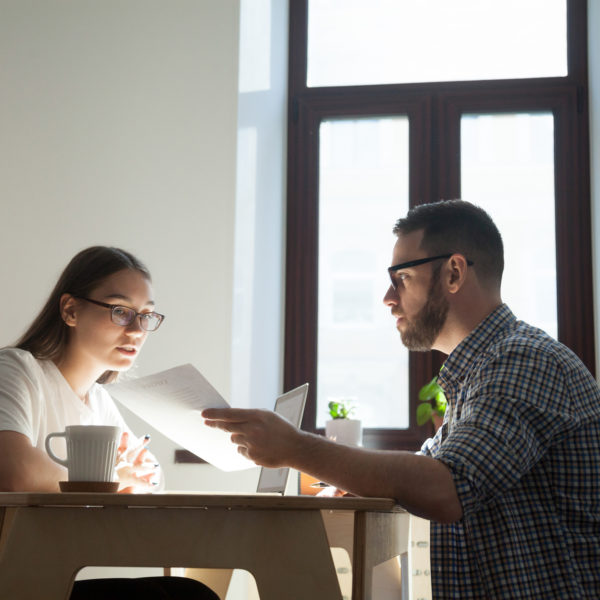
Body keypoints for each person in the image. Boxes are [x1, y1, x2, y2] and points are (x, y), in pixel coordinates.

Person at [203, 200, 600, 599]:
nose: (388, 298)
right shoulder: (479, 374)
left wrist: (294, 447)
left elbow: (448, 488)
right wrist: (337, 472)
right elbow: (425, 469)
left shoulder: (524, 359)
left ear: (454, 273)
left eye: (402, 278)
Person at [0, 246, 218, 600]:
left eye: (146, 316)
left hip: (52, 571)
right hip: (16, 576)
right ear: (70, 310)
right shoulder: (17, 369)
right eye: (120, 311)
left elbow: (149, 476)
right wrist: (113, 478)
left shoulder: (98, 399)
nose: (136, 330)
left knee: (192, 592)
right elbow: (14, 469)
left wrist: (134, 475)